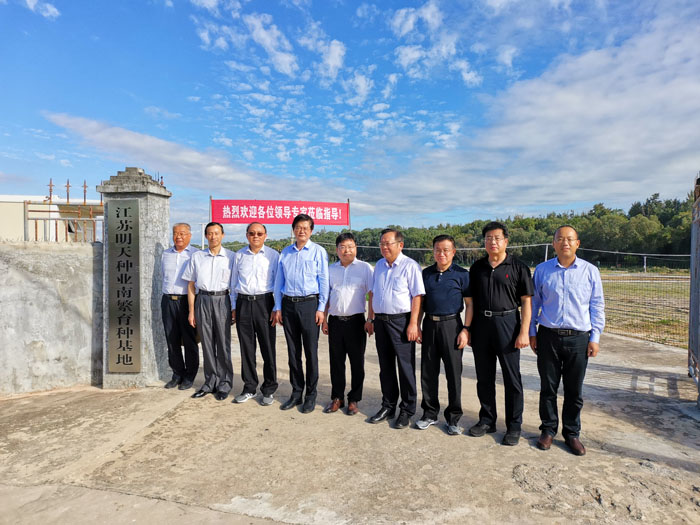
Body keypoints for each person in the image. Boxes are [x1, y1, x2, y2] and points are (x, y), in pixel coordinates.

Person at [530, 225, 605, 456]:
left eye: (570, 239)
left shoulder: (590, 271)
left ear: (577, 243)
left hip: (579, 339)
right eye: (560, 239)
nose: (565, 243)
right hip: (548, 336)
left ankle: (572, 433)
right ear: (553, 243)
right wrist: (532, 332)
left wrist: (595, 337)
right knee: (548, 388)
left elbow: (597, 305)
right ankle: (548, 430)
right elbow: (534, 303)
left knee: (574, 390)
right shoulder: (542, 270)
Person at [465, 221, 533, 446]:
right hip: (482, 325)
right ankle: (487, 420)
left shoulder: (518, 267)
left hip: (508, 324)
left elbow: (526, 302)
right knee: (484, 377)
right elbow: (471, 302)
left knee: (512, 379)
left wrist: (524, 332)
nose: (492, 242)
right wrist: (469, 329)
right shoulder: (477, 268)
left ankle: (514, 425)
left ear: (506, 241)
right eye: (488, 238)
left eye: (497, 238)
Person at [368, 228, 425, 429]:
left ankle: (407, 410)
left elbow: (417, 296)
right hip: (381, 321)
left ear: (400, 245)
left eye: (388, 243)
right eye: (382, 243)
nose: (384, 247)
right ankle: (388, 405)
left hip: (401, 321)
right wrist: (370, 318)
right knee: (386, 367)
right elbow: (373, 293)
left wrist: (414, 324)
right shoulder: (379, 266)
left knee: (405, 367)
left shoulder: (410, 266)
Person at [273, 213, 329, 413]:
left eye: (305, 228)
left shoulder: (318, 252)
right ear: (293, 230)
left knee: (310, 352)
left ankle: (311, 395)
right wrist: (278, 307)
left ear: (311, 231)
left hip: (309, 305)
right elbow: (279, 282)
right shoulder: (285, 253)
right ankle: (296, 392)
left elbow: (324, 281)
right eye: (298, 227)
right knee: (293, 352)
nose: (301, 231)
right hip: (288, 305)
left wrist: (321, 308)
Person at [416, 234, 470, 434]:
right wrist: (417, 325)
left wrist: (466, 329)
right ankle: (429, 413)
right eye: (438, 250)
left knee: (453, 374)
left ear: (453, 252)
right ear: (433, 252)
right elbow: (420, 303)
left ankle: (453, 418)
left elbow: (470, 304)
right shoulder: (426, 274)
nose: (442, 254)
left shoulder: (462, 274)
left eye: (446, 250)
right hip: (430, 324)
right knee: (428, 372)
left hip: (452, 326)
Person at [321, 232, 373, 415]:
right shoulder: (330, 269)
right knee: (336, 362)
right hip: (335, 322)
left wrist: (370, 319)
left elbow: (372, 294)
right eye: (342, 247)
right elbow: (326, 296)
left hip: (356, 322)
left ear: (356, 248)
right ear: (337, 250)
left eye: (350, 246)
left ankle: (354, 399)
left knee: (357, 362)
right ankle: (337, 397)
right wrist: (324, 319)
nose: (346, 250)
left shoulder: (365, 268)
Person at [182, 222, 235, 401]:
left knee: (223, 343)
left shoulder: (231, 257)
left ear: (222, 235)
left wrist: (234, 308)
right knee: (206, 343)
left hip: (222, 300)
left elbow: (235, 285)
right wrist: (191, 311)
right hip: (202, 300)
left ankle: (224, 383)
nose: (213, 236)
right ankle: (210, 382)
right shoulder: (197, 257)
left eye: (217, 233)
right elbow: (191, 285)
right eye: (210, 233)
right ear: (206, 236)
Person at [230, 222, 279, 406]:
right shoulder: (239, 255)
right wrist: (234, 306)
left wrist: (277, 307)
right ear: (247, 235)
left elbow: (278, 283)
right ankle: (249, 387)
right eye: (252, 233)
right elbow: (233, 283)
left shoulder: (273, 256)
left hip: (265, 303)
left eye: (259, 233)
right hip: (243, 303)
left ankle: (269, 389)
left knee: (268, 348)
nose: (255, 236)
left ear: (265, 235)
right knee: (247, 348)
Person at [161, 223, 199, 390]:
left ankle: (190, 376)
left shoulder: (195, 254)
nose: (179, 237)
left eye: (183, 233)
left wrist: (193, 309)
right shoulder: (165, 254)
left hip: (186, 301)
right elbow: (163, 275)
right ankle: (177, 374)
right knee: (171, 340)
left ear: (189, 235)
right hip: (168, 300)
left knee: (190, 340)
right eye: (176, 233)